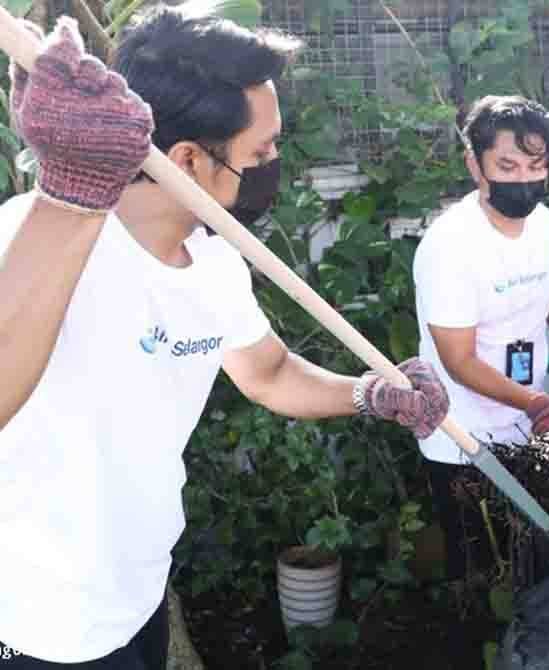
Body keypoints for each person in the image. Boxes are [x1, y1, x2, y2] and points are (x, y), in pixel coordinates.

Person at [0, 10, 449, 668]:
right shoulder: (32, 232)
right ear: (186, 159)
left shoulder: (212, 263)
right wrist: (68, 197)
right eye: (261, 153)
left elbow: (266, 372)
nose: (275, 165)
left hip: (137, 593)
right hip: (37, 618)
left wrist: (372, 395)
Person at [412, 95, 549, 578]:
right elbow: (459, 361)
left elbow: (544, 281)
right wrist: (534, 403)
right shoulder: (451, 247)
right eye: (507, 166)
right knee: (477, 567)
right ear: (475, 165)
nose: (523, 180)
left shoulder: (541, 224)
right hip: (461, 435)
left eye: (536, 166)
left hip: (525, 419)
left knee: (530, 556)